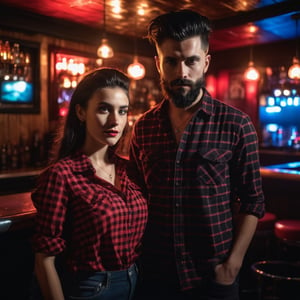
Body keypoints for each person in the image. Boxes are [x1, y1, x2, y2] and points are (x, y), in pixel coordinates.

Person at [129, 10, 265, 300]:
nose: (181, 73)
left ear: (205, 62)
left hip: (212, 279)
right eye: (172, 61)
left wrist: (232, 265)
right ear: (158, 64)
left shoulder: (236, 125)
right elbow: (135, 197)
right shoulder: (143, 127)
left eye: (191, 61)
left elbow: (253, 201)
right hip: (154, 276)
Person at [31, 68, 148, 300]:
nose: (115, 120)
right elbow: (44, 260)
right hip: (92, 289)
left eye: (122, 111)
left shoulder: (130, 170)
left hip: (136, 282)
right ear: (81, 112)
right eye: (104, 109)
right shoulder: (62, 175)